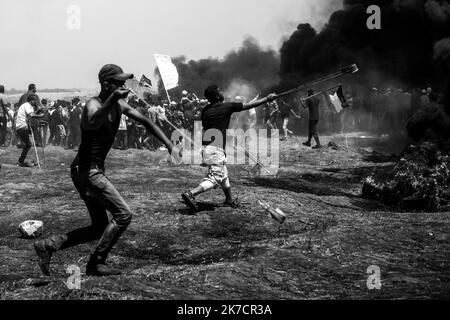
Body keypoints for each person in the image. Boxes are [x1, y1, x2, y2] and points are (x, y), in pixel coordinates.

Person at [34, 64, 174, 276]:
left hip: (91, 170)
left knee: (99, 226)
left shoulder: (120, 105)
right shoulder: (94, 103)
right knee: (124, 214)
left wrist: (171, 145)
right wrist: (111, 100)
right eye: (119, 82)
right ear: (107, 84)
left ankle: (48, 245)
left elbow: (146, 122)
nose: (123, 85)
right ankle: (96, 263)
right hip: (87, 170)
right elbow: (90, 123)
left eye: (123, 82)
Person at [181, 85, 275, 212]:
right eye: (219, 91)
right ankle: (191, 193)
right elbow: (248, 106)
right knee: (214, 178)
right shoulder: (227, 106)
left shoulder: (205, 110)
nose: (221, 92)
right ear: (216, 96)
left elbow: (210, 127)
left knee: (223, 174)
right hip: (216, 149)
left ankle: (229, 199)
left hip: (207, 147)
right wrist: (267, 99)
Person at [15, 94, 43, 167]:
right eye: (35, 101)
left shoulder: (26, 105)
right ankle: (20, 161)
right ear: (32, 100)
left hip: (22, 126)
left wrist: (38, 111)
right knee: (28, 144)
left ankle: (21, 161)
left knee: (28, 143)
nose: (36, 102)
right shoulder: (27, 105)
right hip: (22, 127)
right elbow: (32, 115)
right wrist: (40, 116)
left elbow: (31, 115)